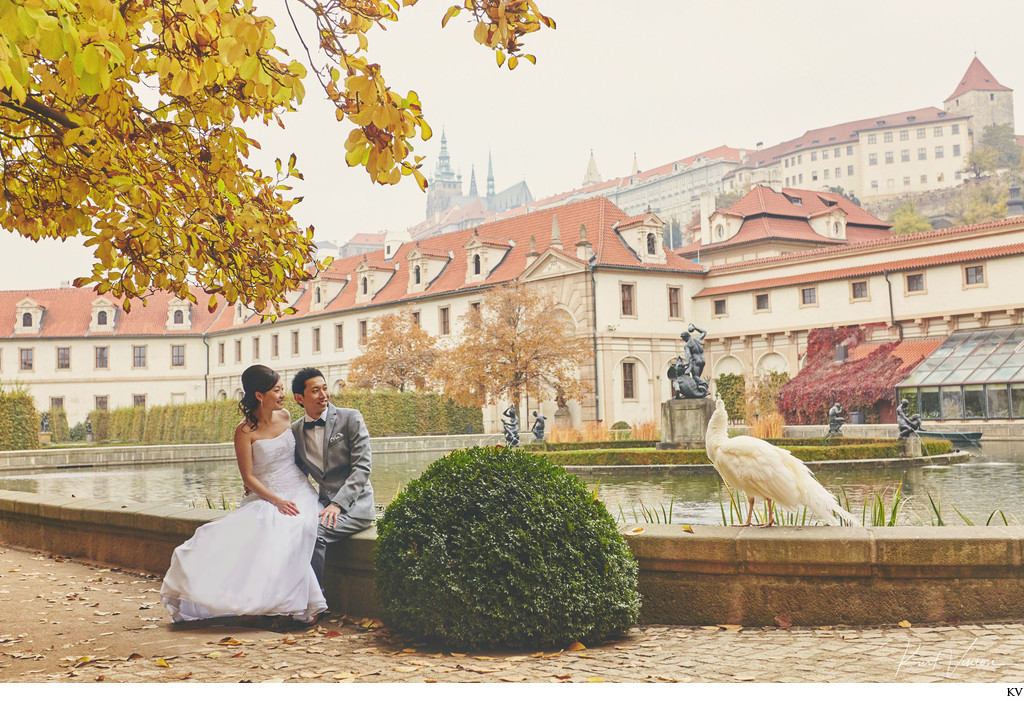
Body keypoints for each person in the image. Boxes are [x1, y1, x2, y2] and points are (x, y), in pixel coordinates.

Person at [161, 365, 326, 624]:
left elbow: (297, 457)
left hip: (299, 490)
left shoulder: (285, 417)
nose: (282, 394)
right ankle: (285, 606)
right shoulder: (244, 431)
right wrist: (276, 500)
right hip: (269, 495)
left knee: (295, 527)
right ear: (260, 395)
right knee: (258, 528)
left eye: (282, 389)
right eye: (276, 390)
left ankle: (295, 606)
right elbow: (248, 476)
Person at [290, 368, 375, 589]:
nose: (324, 395)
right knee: (286, 529)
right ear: (300, 398)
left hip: (355, 506)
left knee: (313, 532)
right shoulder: (296, 431)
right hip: (322, 505)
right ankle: (285, 598)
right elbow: (295, 474)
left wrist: (338, 504)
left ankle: (314, 600)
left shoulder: (350, 418)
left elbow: (363, 467)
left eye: (325, 388)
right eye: (315, 391)